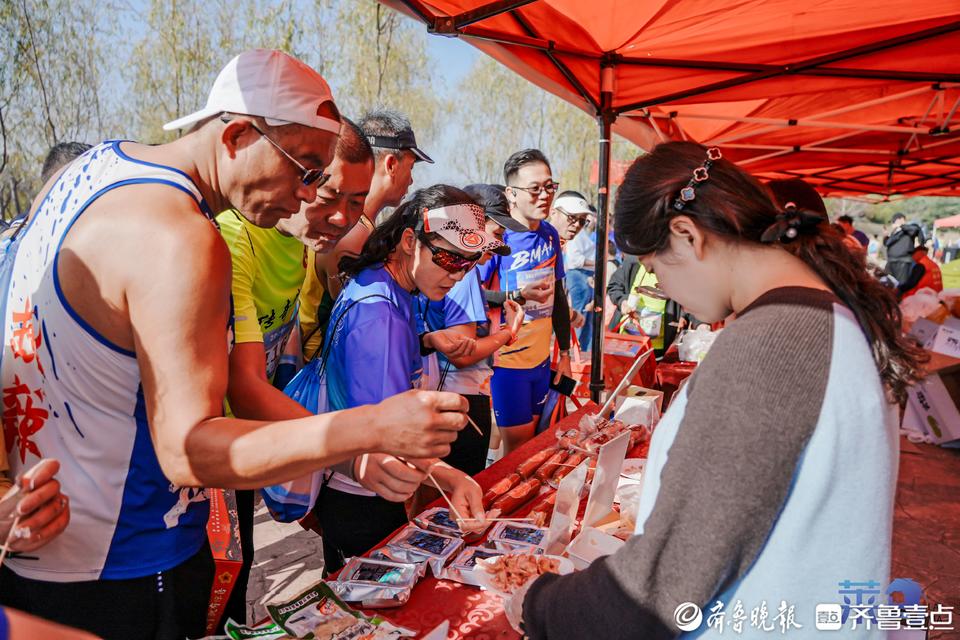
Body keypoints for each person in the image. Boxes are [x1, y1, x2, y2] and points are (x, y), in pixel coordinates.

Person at [0, 49, 468, 639]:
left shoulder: (87, 173)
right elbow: (188, 450)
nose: (306, 197)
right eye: (305, 171)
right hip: (128, 563)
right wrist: (370, 428)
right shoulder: (182, 236)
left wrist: (356, 453)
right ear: (239, 134)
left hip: (35, 557)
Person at [511, 141, 926, 638]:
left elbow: (663, 586)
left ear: (687, 236)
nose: (665, 290)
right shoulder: (825, 316)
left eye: (658, 270)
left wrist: (540, 606)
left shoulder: (770, 346)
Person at [214, 117, 374, 627]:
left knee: (239, 575)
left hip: (251, 437)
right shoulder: (232, 241)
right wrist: (354, 449)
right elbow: (244, 384)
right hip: (207, 441)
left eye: (357, 203)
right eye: (331, 196)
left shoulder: (302, 248)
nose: (343, 218)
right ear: (302, 176)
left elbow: (292, 355)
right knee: (213, 586)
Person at [314, 185, 500, 573]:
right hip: (361, 490)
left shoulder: (390, 284)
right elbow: (385, 432)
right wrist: (451, 477)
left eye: (469, 263)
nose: (457, 274)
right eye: (449, 258)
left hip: (369, 480)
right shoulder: (379, 312)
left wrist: (426, 341)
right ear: (410, 240)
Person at [300, 108, 433, 359]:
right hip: (324, 373)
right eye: (411, 167)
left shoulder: (361, 226)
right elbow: (363, 321)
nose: (412, 181)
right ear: (392, 164)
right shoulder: (351, 232)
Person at [416, 183, 526, 475]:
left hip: (441, 395)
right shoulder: (465, 276)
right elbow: (463, 354)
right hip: (458, 396)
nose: (493, 248)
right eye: (495, 233)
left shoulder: (454, 272)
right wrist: (508, 332)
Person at [479, 150, 572, 455]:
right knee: (518, 451)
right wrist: (517, 297)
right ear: (512, 194)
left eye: (550, 187)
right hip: (507, 365)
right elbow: (468, 297)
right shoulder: (497, 235)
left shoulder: (548, 234)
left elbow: (558, 297)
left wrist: (566, 354)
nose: (544, 195)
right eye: (535, 189)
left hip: (541, 362)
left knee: (533, 445)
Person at [606, 255, 689, 358]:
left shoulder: (677, 267)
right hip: (627, 340)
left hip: (659, 344)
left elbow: (690, 296)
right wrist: (622, 301)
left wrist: (684, 315)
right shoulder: (633, 262)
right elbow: (614, 286)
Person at [550, 191, 596, 352]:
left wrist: (564, 354)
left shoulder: (558, 244)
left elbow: (555, 295)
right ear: (553, 213)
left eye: (582, 221)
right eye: (572, 217)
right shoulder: (540, 242)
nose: (577, 225)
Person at [884, 213, 925, 284]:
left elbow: (915, 229)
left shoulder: (909, 228)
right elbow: (887, 243)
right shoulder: (895, 231)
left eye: (895, 221)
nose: (894, 223)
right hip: (891, 260)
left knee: (900, 284)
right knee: (888, 282)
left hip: (903, 261)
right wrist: (885, 236)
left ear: (901, 219)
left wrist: (901, 226)